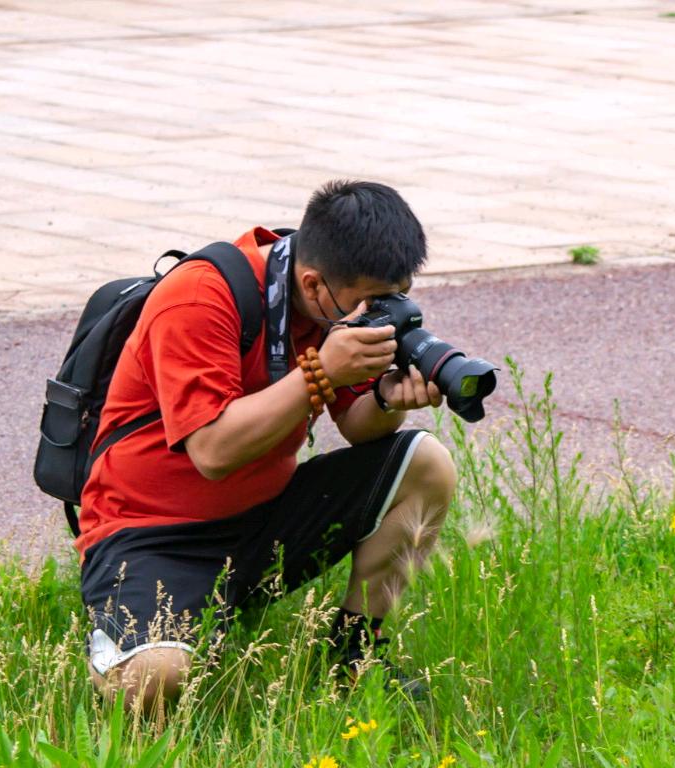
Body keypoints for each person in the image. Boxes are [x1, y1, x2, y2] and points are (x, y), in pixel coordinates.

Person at [77, 180, 457, 711]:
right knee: (153, 682)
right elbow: (213, 452)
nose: (379, 312)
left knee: (425, 464)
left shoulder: (330, 306)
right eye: (369, 301)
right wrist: (321, 370)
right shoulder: (200, 297)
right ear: (313, 282)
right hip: (154, 534)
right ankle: (118, 646)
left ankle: (353, 659)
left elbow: (356, 426)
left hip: (263, 518)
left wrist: (389, 399)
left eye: (395, 295)